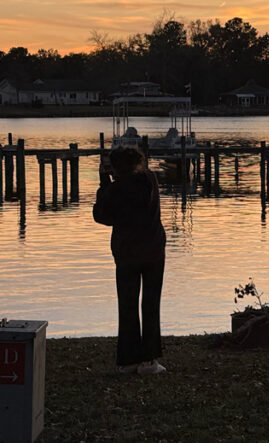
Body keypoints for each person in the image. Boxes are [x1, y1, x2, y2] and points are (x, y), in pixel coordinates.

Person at [93, 146, 167, 375]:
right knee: (151, 304)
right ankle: (149, 360)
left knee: (127, 306)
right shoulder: (150, 180)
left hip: (126, 254)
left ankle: (128, 360)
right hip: (154, 250)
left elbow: (101, 215)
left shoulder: (116, 190)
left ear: (116, 168)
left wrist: (104, 184)